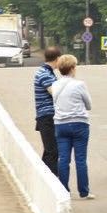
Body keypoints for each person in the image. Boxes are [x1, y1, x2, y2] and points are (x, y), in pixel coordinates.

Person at [52, 54, 94, 199]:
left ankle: (64, 191)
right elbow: (89, 105)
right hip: (79, 124)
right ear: (72, 68)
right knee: (80, 159)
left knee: (63, 159)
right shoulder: (79, 84)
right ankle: (84, 191)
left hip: (60, 125)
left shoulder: (55, 85)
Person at [33, 46, 62, 176]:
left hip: (47, 115)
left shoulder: (47, 72)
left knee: (49, 150)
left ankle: (42, 177)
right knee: (52, 151)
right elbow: (55, 93)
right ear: (57, 59)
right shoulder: (44, 73)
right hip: (47, 116)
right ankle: (54, 180)